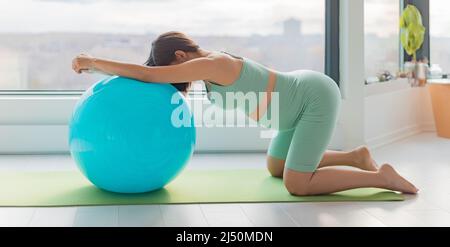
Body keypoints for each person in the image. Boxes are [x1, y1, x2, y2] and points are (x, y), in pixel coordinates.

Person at [72, 31, 418, 195]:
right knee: (276, 168)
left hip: (313, 98)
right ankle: (356, 156)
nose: (174, 76)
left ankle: (380, 178)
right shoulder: (209, 70)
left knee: (297, 184)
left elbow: (148, 75)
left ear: (179, 56)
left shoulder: (216, 65)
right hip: (292, 109)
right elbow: (151, 77)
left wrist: (92, 62)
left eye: (171, 67)